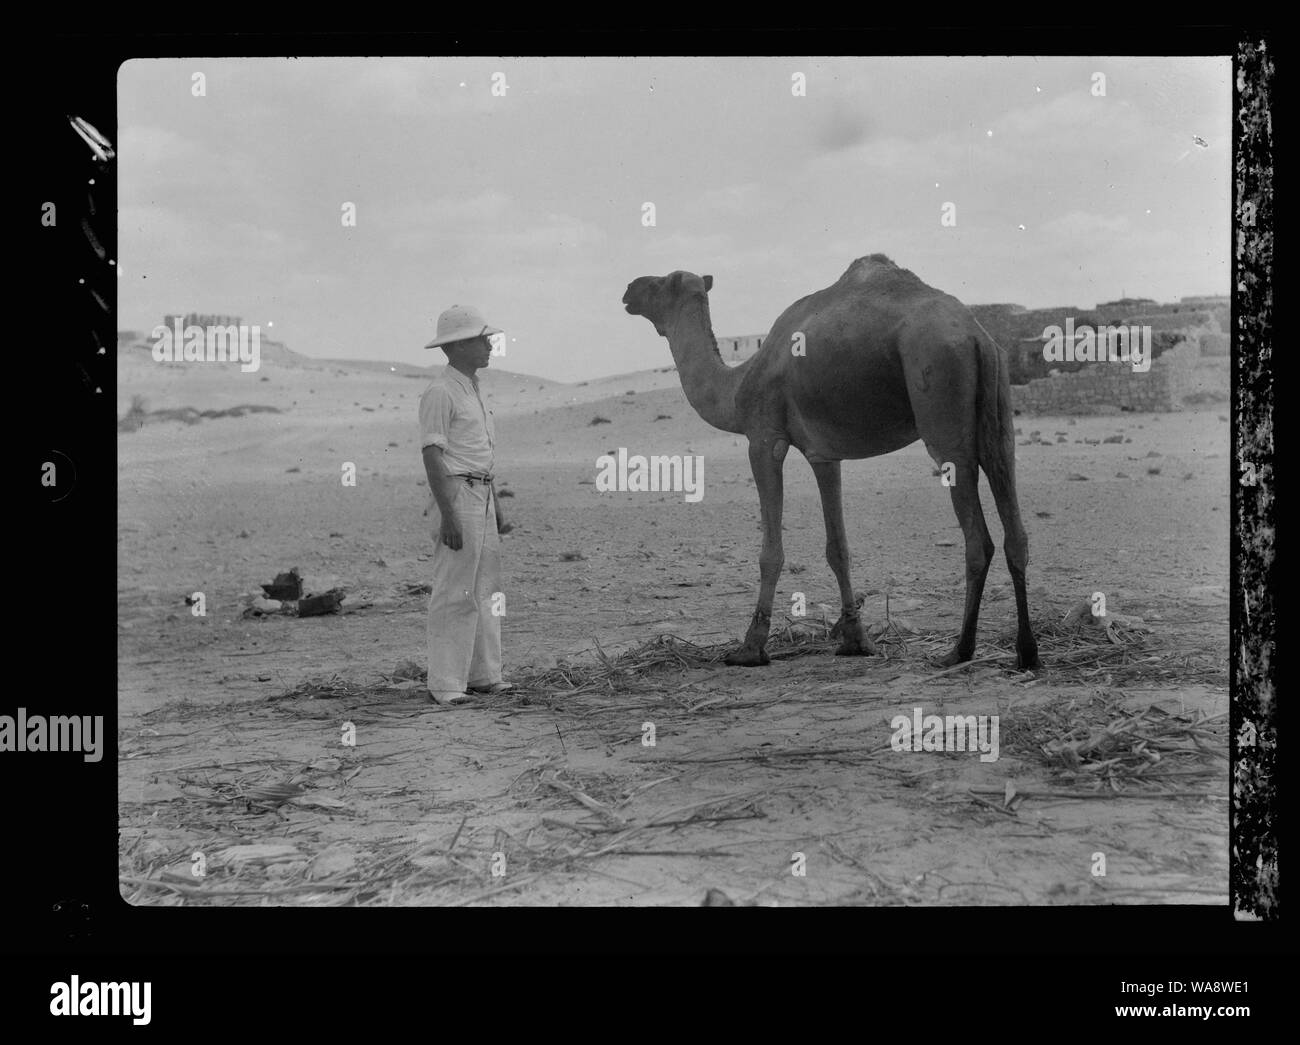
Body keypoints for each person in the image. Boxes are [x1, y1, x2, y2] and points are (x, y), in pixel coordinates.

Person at [418, 304, 513, 705]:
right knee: (455, 589)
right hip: (457, 495)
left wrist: (497, 508)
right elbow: (433, 455)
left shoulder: (473, 389)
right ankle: (445, 684)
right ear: (456, 346)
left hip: (481, 494)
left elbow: (480, 454)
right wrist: (449, 515)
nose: (489, 345)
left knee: (485, 588)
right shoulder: (440, 392)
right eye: (480, 339)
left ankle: (484, 675)